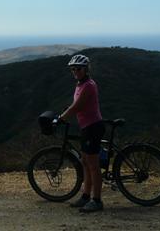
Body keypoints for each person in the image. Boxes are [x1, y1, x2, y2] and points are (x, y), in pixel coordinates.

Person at [59, 54, 105, 213]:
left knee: (93, 165)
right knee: (85, 162)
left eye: (78, 69)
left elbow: (76, 107)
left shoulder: (88, 86)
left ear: (86, 69)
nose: (75, 72)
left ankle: (97, 200)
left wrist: (61, 118)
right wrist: (66, 111)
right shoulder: (80, 84)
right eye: (73, 69)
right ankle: (85, 196)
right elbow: (74, 105)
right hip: (86, 127)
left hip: (93, 127)